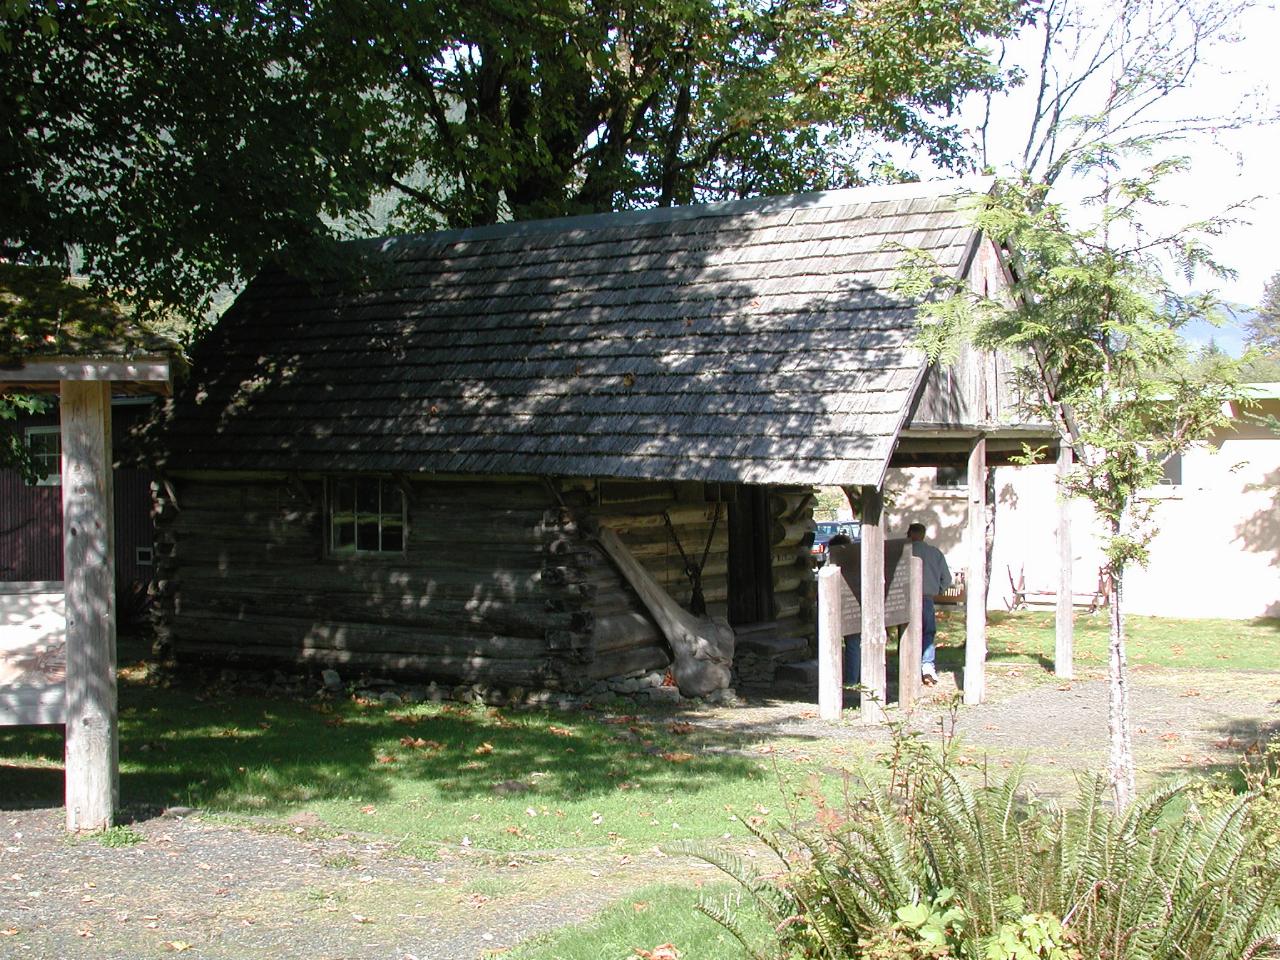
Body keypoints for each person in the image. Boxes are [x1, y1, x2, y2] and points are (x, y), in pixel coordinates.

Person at [906, 522, 952, 685]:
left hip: (906, 599)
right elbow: (947, 579)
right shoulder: (935, 553)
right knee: (928, 632)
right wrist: (938, 589)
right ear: (923, 535)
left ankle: (908, 666)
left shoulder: (903, 552)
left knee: (907, 633)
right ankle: (927, 666)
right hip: (926, 597)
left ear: (909, 534)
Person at [825, 533, 861, 685]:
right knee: (853, 645)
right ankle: (852, 679)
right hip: (854, 606)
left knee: (831, 643)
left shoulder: (832, 562)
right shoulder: (857, 561)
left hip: (835, 607)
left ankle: (833, 678)